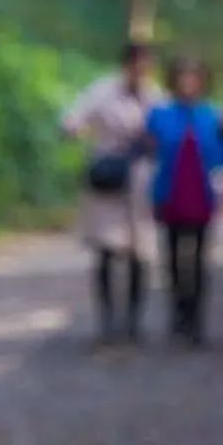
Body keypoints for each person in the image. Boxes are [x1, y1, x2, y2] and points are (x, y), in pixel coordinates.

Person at [62, 41, 160, 343]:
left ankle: (133, 320)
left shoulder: (155, 96)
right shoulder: (103, 91)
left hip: (140, 180)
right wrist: (76, 129)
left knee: (140, 252)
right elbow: (73, 118)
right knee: (105, 249)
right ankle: (107, 318)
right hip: (107, 177)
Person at [145, 55, 223, 346]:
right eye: (183, 77)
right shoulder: (160, 115)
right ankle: (178, 314)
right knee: (173, 259)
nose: (188, 83)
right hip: (171, 195)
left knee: (200, 260)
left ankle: (196, 319)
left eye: (194, 78)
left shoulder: (213, 115)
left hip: (202, 196)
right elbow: (149, 151)